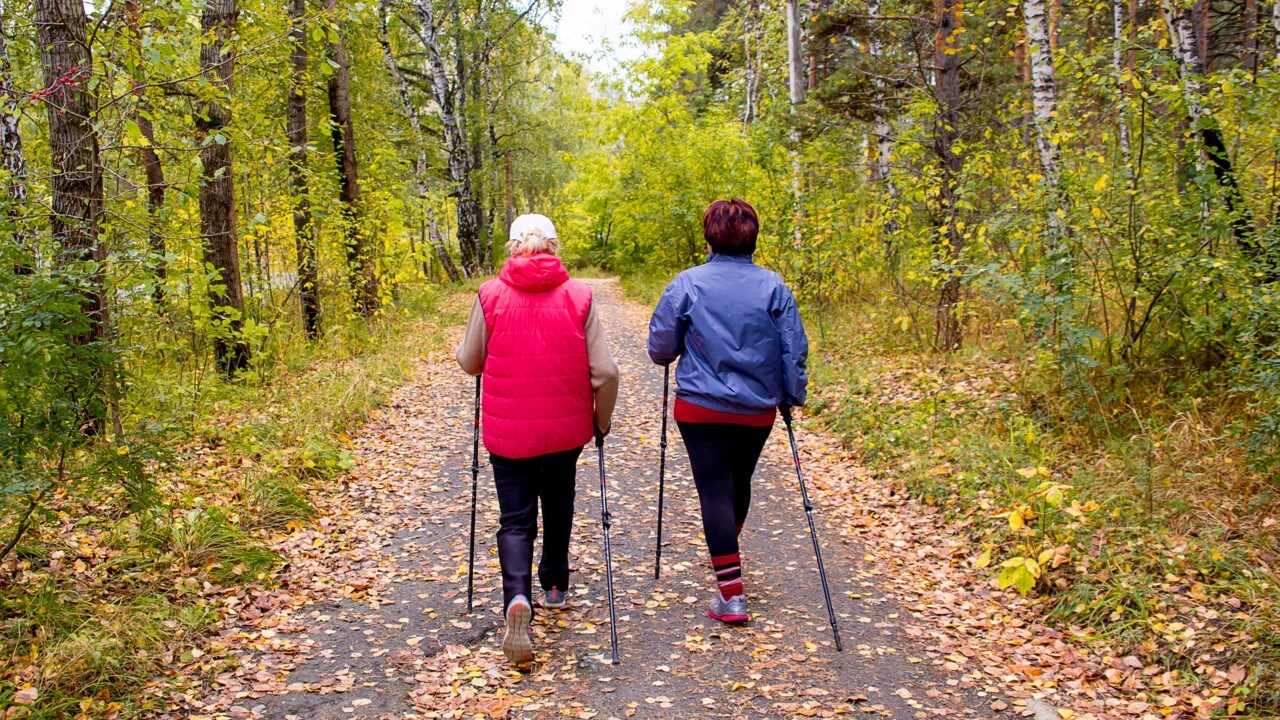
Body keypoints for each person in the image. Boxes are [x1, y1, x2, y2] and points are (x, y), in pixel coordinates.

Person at [456, 214, 620, 665]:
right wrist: (600, 422)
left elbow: (471, 362)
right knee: (559, 502)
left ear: (512, 248)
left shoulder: (490, 295)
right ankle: (555, 585)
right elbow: (605, 373)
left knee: (515, 518)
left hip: (508, 433)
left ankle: (515, 596)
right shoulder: (580, 296)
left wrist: (463, 350)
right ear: (554, 246)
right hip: (565, 432)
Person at [646, 198, 808, 625]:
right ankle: (728, 561)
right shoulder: (775, 287)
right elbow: (794, 350)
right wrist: (792, 395)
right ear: (753, 234)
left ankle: (731, 591)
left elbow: (660, 350)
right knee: (738, 483)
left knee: (715, 491)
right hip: (757, 409)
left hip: (699, 407)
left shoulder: (687, 284)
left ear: (709, 235)